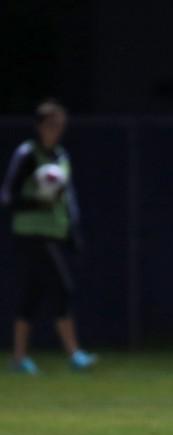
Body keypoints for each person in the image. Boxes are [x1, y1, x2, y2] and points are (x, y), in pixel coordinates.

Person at [1, 99, 97, 374]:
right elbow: (8, 195)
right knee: (62, 287)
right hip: (30, 233)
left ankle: (19, 359)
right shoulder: (28, 155)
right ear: (39, 126)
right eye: (51, 125)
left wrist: (71, 230)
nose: (56, 130)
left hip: (54, 232)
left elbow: (66, 198)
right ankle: (74, 354)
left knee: (32, 294)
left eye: (60, 125)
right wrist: (37, 203)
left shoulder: (61, 156)